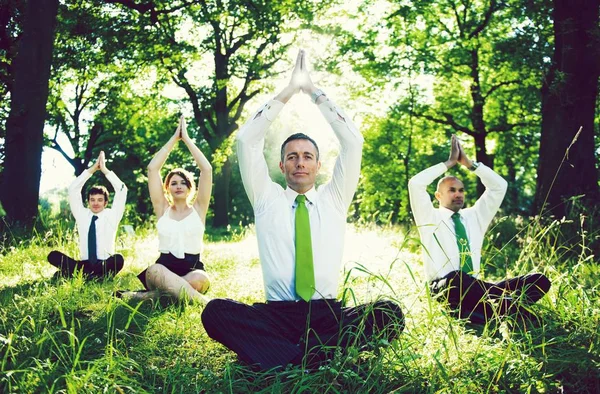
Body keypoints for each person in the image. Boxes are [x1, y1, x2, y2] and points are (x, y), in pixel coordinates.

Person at [201, 50, 405, 371]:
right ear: (281, 166)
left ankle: (286, 357)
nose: (300, 161)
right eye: (292, 156)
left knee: (388, 312)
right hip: (279, 315)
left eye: (307, 156)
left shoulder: (334, 198)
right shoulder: (266, 198)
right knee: (215, 312)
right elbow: (245, 140)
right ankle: (311, 358)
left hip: (329, 314)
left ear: (318, 165)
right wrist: (286, 92)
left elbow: (353, 142)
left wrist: (313, 92)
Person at [408, 135, 551, 324]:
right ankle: (511, 311)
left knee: (539, 280)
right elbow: (415, 184)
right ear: (438, 195)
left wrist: (470, 165)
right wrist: (449, 163)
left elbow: (499, 186)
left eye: (461, 190)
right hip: (445, 289)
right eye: (452, 190)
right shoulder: (429, 218)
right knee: (457, 279)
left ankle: (486, 312)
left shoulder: (475, 216)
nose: (458, 194)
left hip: (477, 290)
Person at [121, 116, 212, 304]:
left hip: (192, 269)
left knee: (201, 279)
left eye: (183, 182)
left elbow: (207, 170)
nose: (178, 186)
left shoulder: (199, 208)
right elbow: (152, 169)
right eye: (173, 183)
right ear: (167, 188)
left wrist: (186, 139)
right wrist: (174, 138)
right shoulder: (161, 208)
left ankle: (145, 297)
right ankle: (205, 303)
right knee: (154, 270)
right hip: (163, 269)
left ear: (190, 187)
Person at [48, 151, 127, 279]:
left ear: (106, 202)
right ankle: (92, 276)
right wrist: (92, 169)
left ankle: (80, 276)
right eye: (92, 200)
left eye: (100, 200)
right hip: (84, 264)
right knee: (53, 256)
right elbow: (73, 189)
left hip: (104, 263)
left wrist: (105, 170)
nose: (96, 203)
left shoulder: (112, 215)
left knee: (118, 259)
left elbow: (122, 190)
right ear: (88, 201)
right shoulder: (82, 214)